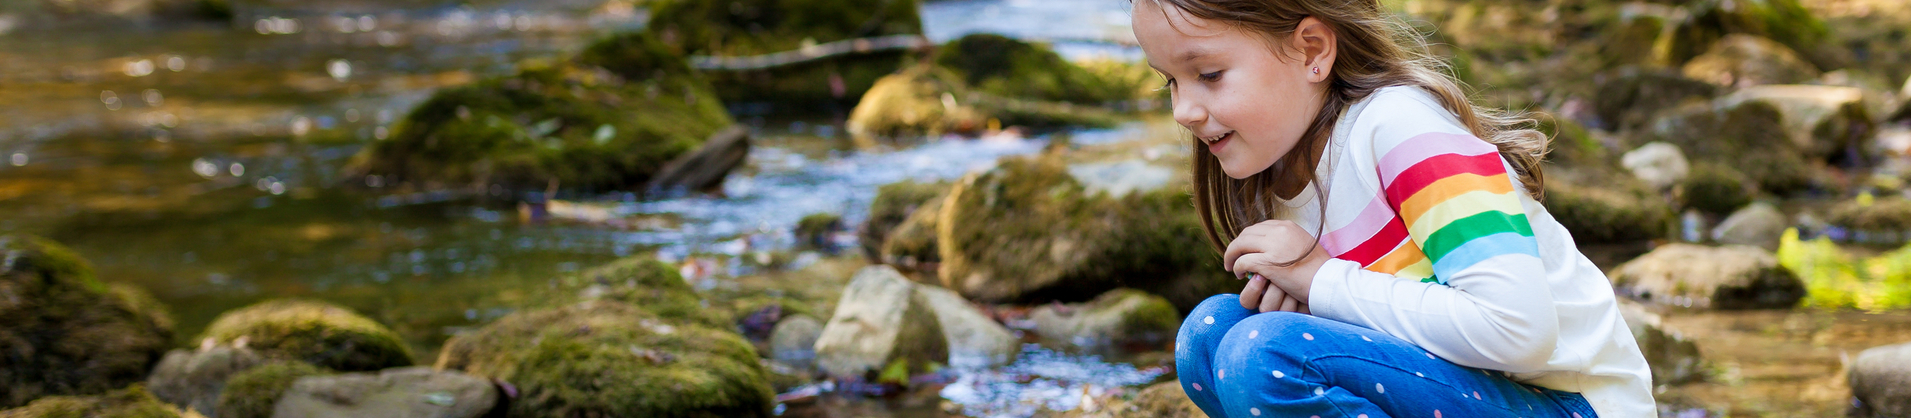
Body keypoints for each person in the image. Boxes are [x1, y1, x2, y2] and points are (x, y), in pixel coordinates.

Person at [1130, 0, 1656, 416]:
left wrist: (1322, 282)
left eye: (1210, 74)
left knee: (1264, 356)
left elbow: (1519, 333)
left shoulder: (1402, 129)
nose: (1183, 110)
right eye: (1170, 81)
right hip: (1463, 387)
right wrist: (1316, 301)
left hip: (1570, 404)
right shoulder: (1276, 164)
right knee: (1210, 333)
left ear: (1312, 50)